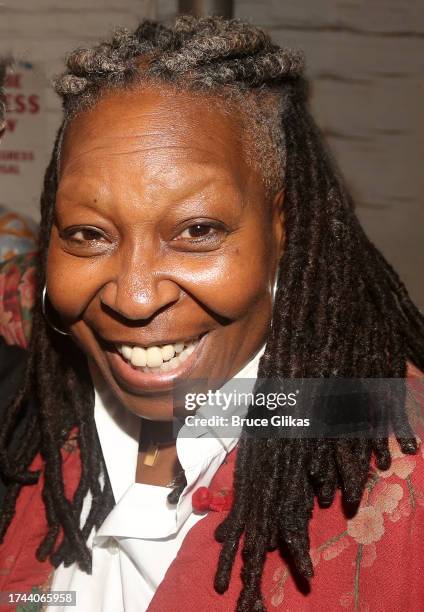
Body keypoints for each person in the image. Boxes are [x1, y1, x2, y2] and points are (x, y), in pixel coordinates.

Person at [0, 16, 423, 612]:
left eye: (198, 230)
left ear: (285, 227)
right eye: (89, 234)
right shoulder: (37, 410)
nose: (135, 297)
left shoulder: (374, 435)